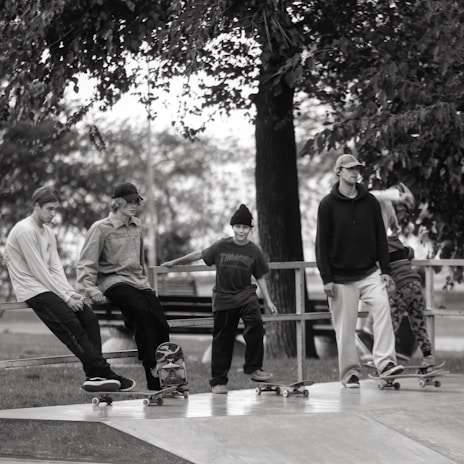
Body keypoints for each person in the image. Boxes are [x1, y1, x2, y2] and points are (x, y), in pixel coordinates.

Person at [5, 186, 135, 392]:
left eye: (55, 209)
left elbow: (55, 267)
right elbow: (39, 271)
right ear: (36, 206)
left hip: (50, 288)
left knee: (89, 318)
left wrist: (70, 292)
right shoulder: (24, 230)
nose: (53, 214)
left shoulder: (47, 232)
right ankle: (104, 372)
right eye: (49, 209)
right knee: (72, 327)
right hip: (33, 290)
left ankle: (94, 377)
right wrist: (65, 297)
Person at [161, 204, 278, 394]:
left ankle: (253, 368)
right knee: (223, 339)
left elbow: (261, 277)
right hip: (224, 298)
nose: (241, 231)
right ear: (233, 228)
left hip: (246, 296)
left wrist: (269, 300)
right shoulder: (221, 246)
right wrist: (175, 263)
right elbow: (199, 254)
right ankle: (218, 382)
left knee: (255, 323)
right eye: (238, 227)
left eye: (245, 228)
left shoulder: (254, 250)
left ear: (250, 229)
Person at [315, 154, 403, 388]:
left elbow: (380, 238)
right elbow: (321, 244)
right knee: (345, 328)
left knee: (383, 306)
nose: (355, 173)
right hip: (340, 277)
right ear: (339, 172)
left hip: (369, 272)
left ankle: (385, 362)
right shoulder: (327, 205)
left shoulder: (370, 202)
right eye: (350, 169)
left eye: (358, 169)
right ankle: (350, 373)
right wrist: (327, 278)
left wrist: (385, 270)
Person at [77, 182, 170, 391]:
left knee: (160, 320)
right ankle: (152, 367)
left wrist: (147, 285)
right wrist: (89, 288)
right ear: (118, 203)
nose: (135, 205)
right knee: (139, 311)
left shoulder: (137, 226)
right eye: (130, 201)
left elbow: (139, 261)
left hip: (137, 282)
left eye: (137, 201)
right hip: (114, 281)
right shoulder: (100, 228)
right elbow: (86, 263)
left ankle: (165, 372)